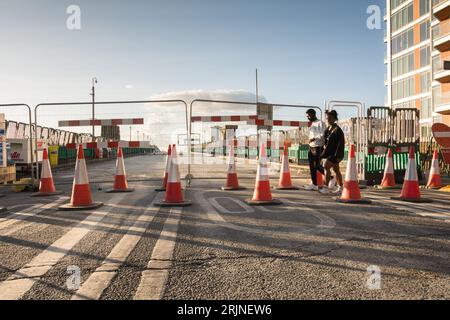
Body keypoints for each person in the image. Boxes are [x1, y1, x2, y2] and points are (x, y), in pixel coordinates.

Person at [320, 110, 345, 195]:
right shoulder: (328, 129)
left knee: (326, 166)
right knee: (336, 169)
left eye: (330, 118)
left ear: (335, 119)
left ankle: (326, 187)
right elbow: (325, 141)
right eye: (327, 118)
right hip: (330, 153)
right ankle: (341, 187)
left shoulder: (338, 130)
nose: (328, 120)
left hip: (335, 154)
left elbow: (341, 144)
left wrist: (338, 156)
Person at [304, 109, 326, 191]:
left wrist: (314, 138)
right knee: (311, 166)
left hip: (318, 146)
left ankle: (330, 178)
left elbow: (323, 134)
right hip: (311, 146)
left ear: (313, 114)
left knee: (317, 165)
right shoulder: (312, 124)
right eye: (307, 116)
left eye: (309, 115)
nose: (308, 117)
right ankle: (314, 184)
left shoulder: (320, 123)